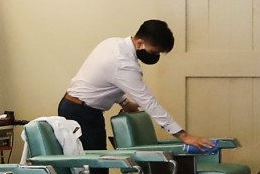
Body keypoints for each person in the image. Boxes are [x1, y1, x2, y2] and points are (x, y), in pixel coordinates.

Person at [61, 19, 219, 153]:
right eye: (154, 52)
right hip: (81, 113)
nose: (155, 56)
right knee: (94, 169)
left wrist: (124, 102)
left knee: (96, 166)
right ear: (139, 43)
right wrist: (184, 136)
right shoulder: (124, 64)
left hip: (78, 107)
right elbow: (149, 103)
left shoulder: (112, 43)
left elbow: (107, 82)